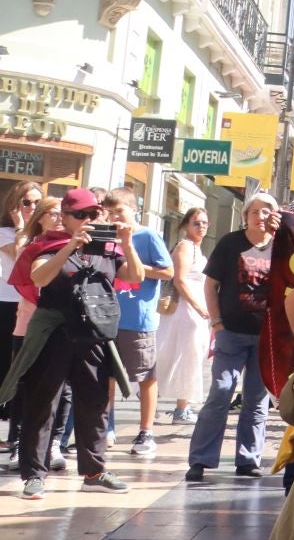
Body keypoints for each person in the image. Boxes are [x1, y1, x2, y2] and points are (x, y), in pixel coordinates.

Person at [3, 187, 146, 497]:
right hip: (55, 334)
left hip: (93, 334)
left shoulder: (108, 248)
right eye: (80, 214)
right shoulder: (48, 244)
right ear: (65, 217)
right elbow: (39, 278)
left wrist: (127, 243)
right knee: (43, 403)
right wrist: (70, 246)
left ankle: (94, 471)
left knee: (95, 404)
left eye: (94, 214)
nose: (88, 219)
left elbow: (135, 276)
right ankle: (34, 474)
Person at [185, 191, 278, 481]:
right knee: (221, 392)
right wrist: (217, 323)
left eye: (267, 211)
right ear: (245, 215)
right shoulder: (230, 243)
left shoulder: (282, 246)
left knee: (256, 400)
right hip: (231, 333)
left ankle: (249, 459)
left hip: (265, 336)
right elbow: (210, 285)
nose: (261, 216)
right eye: (255, 211)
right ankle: (200, 459)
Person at [103, 188, 171, 459]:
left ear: (134, 210)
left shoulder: (148, 236)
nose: (114, 217)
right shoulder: (106, 236)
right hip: (107, 317)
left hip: (138, 319)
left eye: (119, 211)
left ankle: (146, 431)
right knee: (106, 375)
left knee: (145, 376)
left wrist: (136, 268)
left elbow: (168, 271)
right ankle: (106, 426)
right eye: (109, 212)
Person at [7, 196, 64, 464]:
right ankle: (20, 442)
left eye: (63, 213)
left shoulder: (74, 246)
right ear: (40, 218)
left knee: (63, 389)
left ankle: (54, 443)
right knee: (25, 383)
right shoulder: (32, 246)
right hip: (29, 323)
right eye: (53, 213)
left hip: (61, 326)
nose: (60, 218)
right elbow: (29, 283)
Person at [155, 207, 210, 424]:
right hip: (185, 310)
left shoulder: (196, 248)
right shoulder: (185, 247)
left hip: (194, 308)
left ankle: (169, 400)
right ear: (186, 225)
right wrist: (198, 307)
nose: (201, 226)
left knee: (186, 356)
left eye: (204, 222)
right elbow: (179, 280)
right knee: (186, 356)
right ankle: (180, 408)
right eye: (196, 222)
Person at [0, 178, 43, 450]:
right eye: (27, 202)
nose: (32, 207)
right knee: (5, 364)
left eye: (38, 202)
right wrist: (20, 227)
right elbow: (20, 257)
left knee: (26, 368)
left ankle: (18, 431)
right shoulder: (6, 232)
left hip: (33, 306)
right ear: (15, 206)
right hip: (6, 303)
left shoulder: (44, 233)